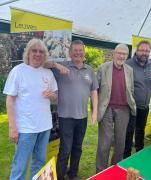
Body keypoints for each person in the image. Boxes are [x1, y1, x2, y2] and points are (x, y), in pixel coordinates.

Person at [3, 39, 58, 179]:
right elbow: (10, 100)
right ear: (28, 52)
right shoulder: (18, 71)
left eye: (41, 51)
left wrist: (52, 96)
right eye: (34, 50)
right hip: (25, 129)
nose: (37, 54)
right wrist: (12, 127)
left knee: (39, 163)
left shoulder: (48, 73)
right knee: (20, 165)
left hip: (44, 126)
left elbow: (55, 97)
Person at [50, 40, 98, 180]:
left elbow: (94, 90)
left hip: (82, 117)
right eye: (75, 50)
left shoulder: (89, 70)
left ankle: (73, 174)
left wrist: (94, 112)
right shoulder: (62, 67)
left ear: (84, 53)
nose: (78, 53)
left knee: (77, 147)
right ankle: (59, 176)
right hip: (65, 117)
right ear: (70, 52)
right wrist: (55, 64)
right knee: (65, 149)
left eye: (80, 50)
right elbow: (43, 63)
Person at [96, 44, 136, 173]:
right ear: (114, 54)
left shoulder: (129, 70)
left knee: (120, 143)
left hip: (124, 110)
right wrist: (95, 109)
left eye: (124, 54)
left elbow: (131, 89)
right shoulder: (103, 68)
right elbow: (95, 90)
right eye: (119, 53)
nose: (121, 56)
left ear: (127, 56)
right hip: (106, 108)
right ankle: (101, 171)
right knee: (105, 142)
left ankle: (115, 169)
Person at [124, 40, 151, 158]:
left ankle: (139, 156)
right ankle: (127, 158)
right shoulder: (128, 64)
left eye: (147, 51)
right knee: (129, 133)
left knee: (140, 132)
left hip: (144, 106)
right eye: (142, 50)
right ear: (136, 50)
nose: (144, 53)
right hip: (131, 106)